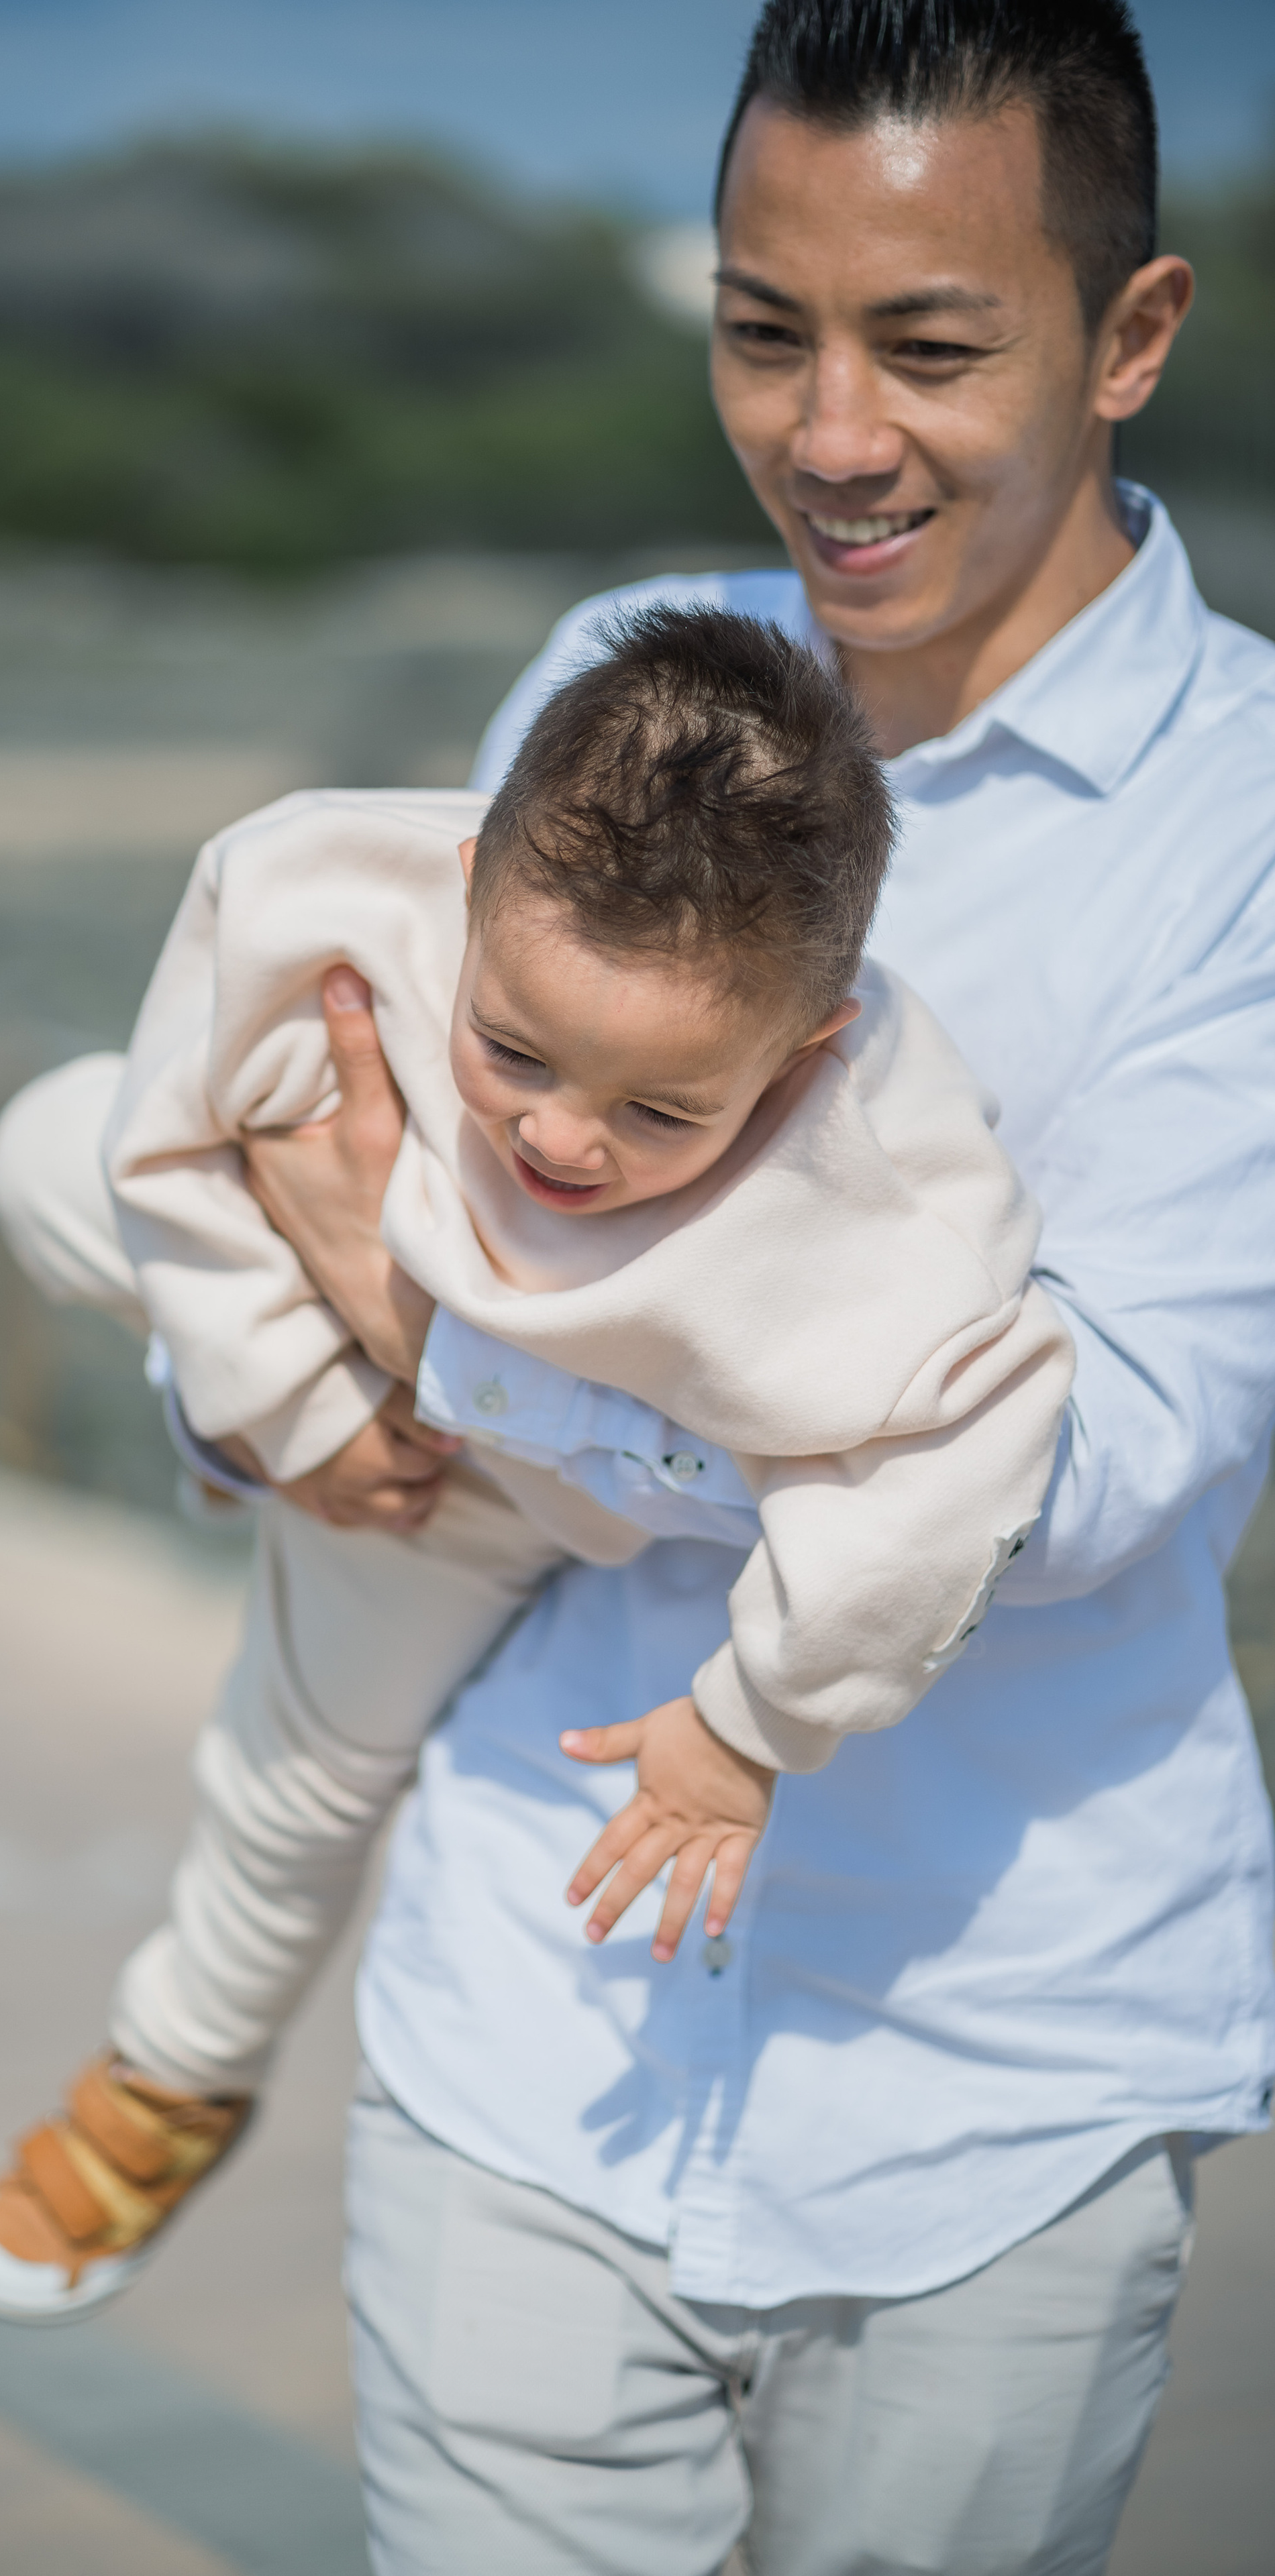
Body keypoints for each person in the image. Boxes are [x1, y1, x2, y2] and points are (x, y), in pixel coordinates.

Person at [223, 3, 1275, 2569]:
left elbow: (1099, 1467)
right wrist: (282, 1346)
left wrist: (465, 1350)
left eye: (929, 345)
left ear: (1130, 334)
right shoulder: (614, 666)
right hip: (527, 2021)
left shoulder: (1249, 818)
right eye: (759, 325)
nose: (828, 434)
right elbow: (361, 1143)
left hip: (994, 2092)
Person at [0, 609, 1072, 2324]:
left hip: (491, 1487)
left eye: (661, 1113)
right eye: (514, 1051)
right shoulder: (319, 886)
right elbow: (174, 1137)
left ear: (806, 1053)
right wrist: (290, 1402)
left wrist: (752, 1721)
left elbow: (957, 1468)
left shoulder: (884, 1185)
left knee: (297, 1774)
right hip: (337, 1340)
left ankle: (172, 2075)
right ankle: (236, 1441)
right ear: (464, 888)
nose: (557, 1137)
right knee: (50, 1141)